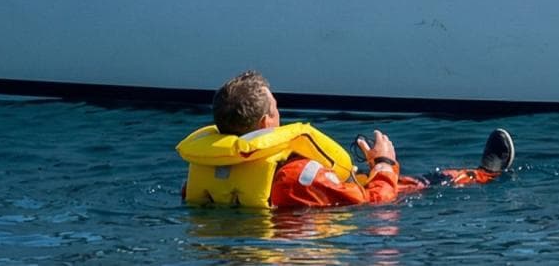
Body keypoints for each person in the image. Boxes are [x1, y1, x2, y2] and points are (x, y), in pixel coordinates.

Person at [178, 70, 513, 209]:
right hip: (349, 226)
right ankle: (486, 174)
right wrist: (384, 163)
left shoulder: (198, 180)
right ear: (267, 122)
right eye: (277, 108)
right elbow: (374, 204)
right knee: (424, 183)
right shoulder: (297, 175)